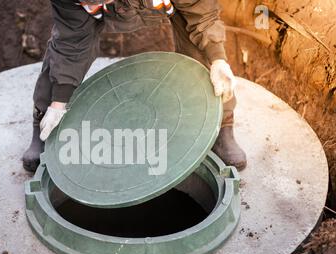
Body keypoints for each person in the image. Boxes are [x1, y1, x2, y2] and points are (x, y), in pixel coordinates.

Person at [23, 0, 247, 173]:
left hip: (163, 6)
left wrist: (218, 59)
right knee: (61, 50)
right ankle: (43, 122)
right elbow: (71, 45)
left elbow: (203, 17)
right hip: (108, 14)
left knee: (201, 47)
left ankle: (222, 124)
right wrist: (58, 101)